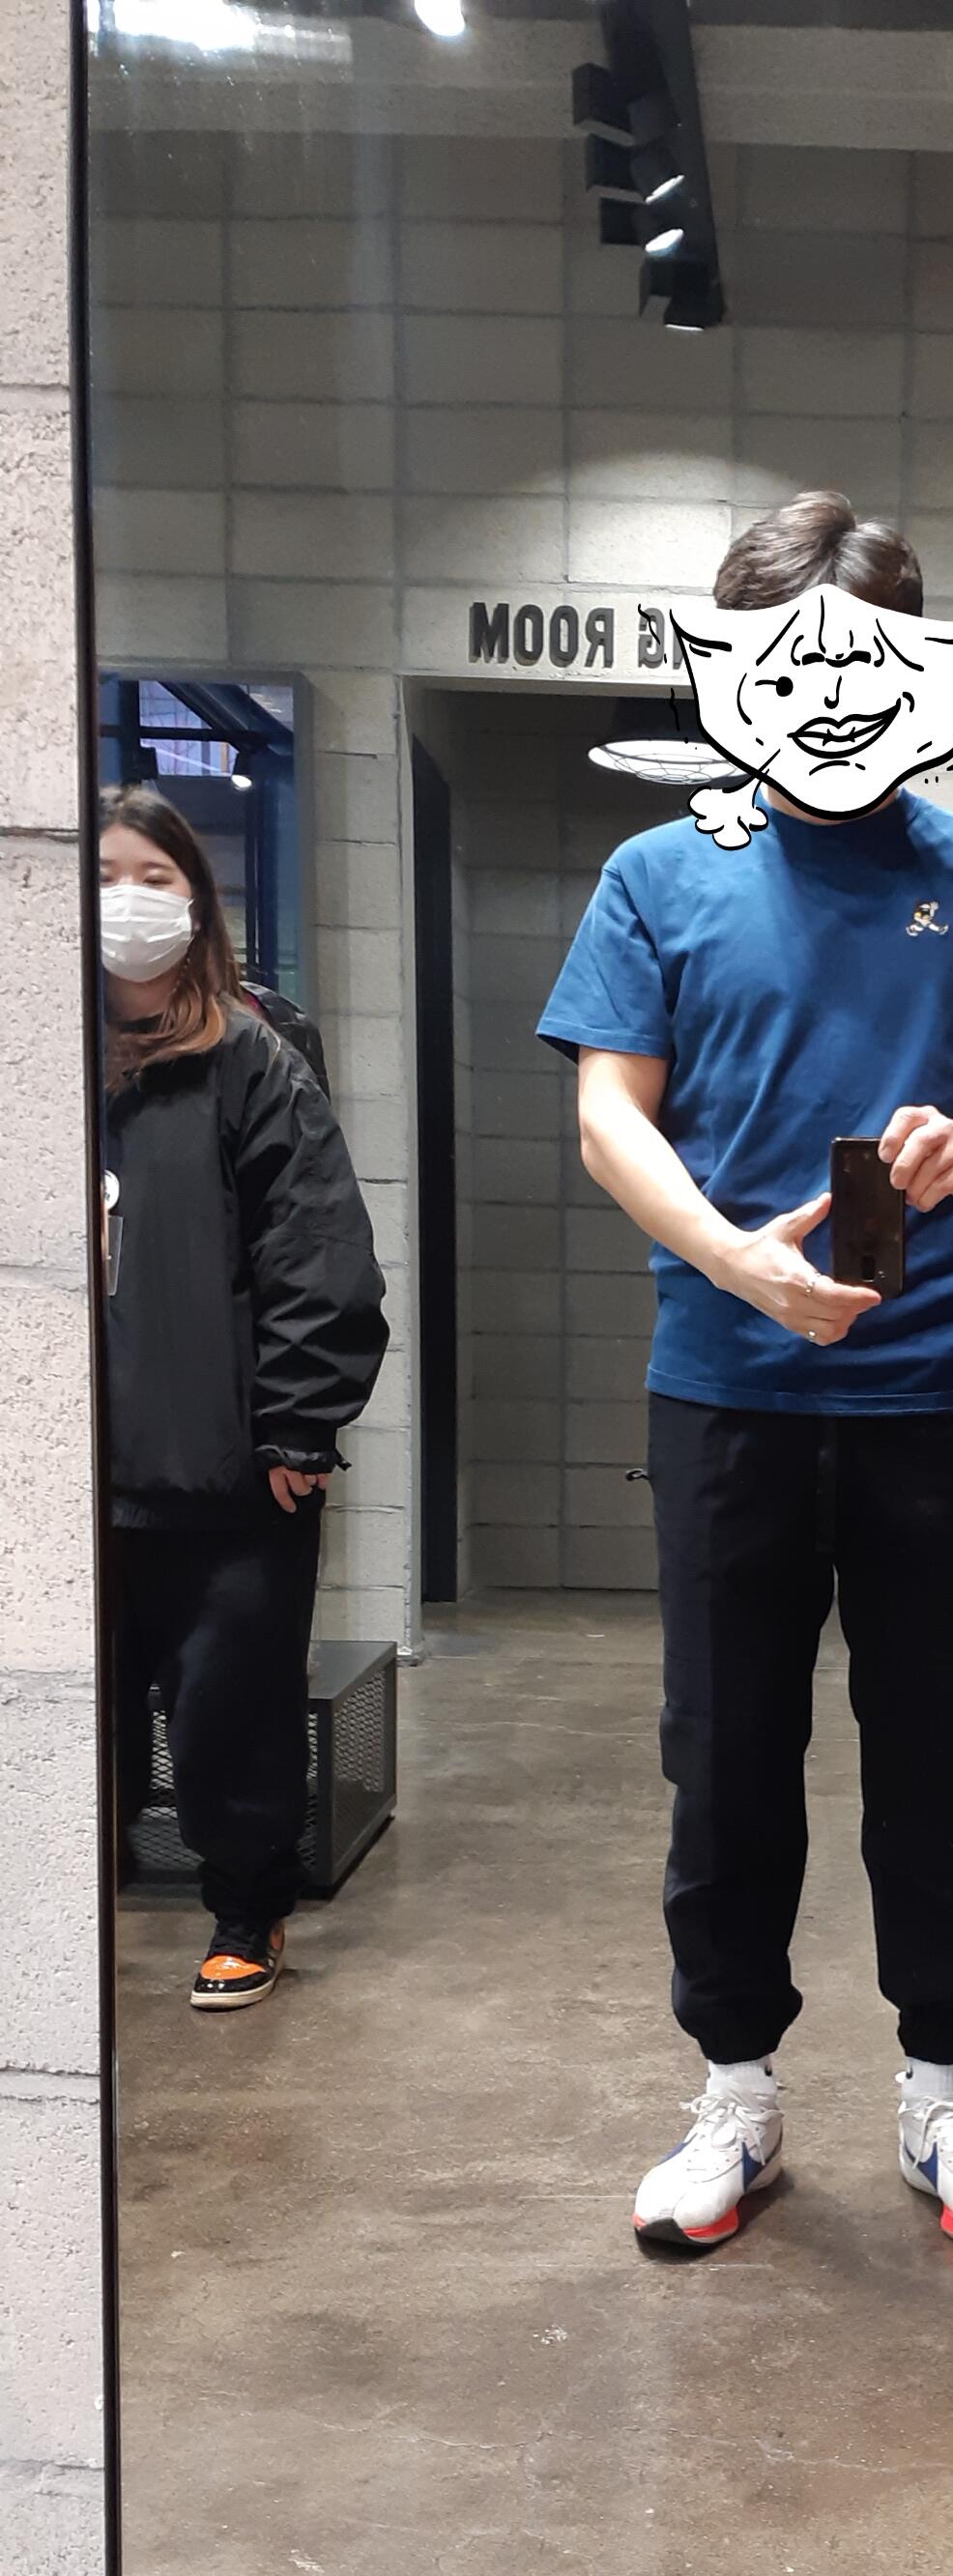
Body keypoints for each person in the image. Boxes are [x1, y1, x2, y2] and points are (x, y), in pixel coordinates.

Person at [539, 492, 953, 2256]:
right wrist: (735, 1262)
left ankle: (944, 2090)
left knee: (942, 1753)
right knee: (725, 1756)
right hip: (727, 1390)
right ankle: (736, 2092)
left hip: (933, 1394)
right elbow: (608, 1113)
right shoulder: (659, 877)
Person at [101, 786, 388, 2007]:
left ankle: (245, 1908)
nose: (128, 901)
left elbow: (315, 1246)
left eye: (155, 877)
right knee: (75, 1708)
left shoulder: (249, 1058)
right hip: (72, 1466)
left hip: (225, 1462)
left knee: (229, 1703)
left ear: (198, 901)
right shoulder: (43, 1058)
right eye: (104, 874)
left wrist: (300, 1424)